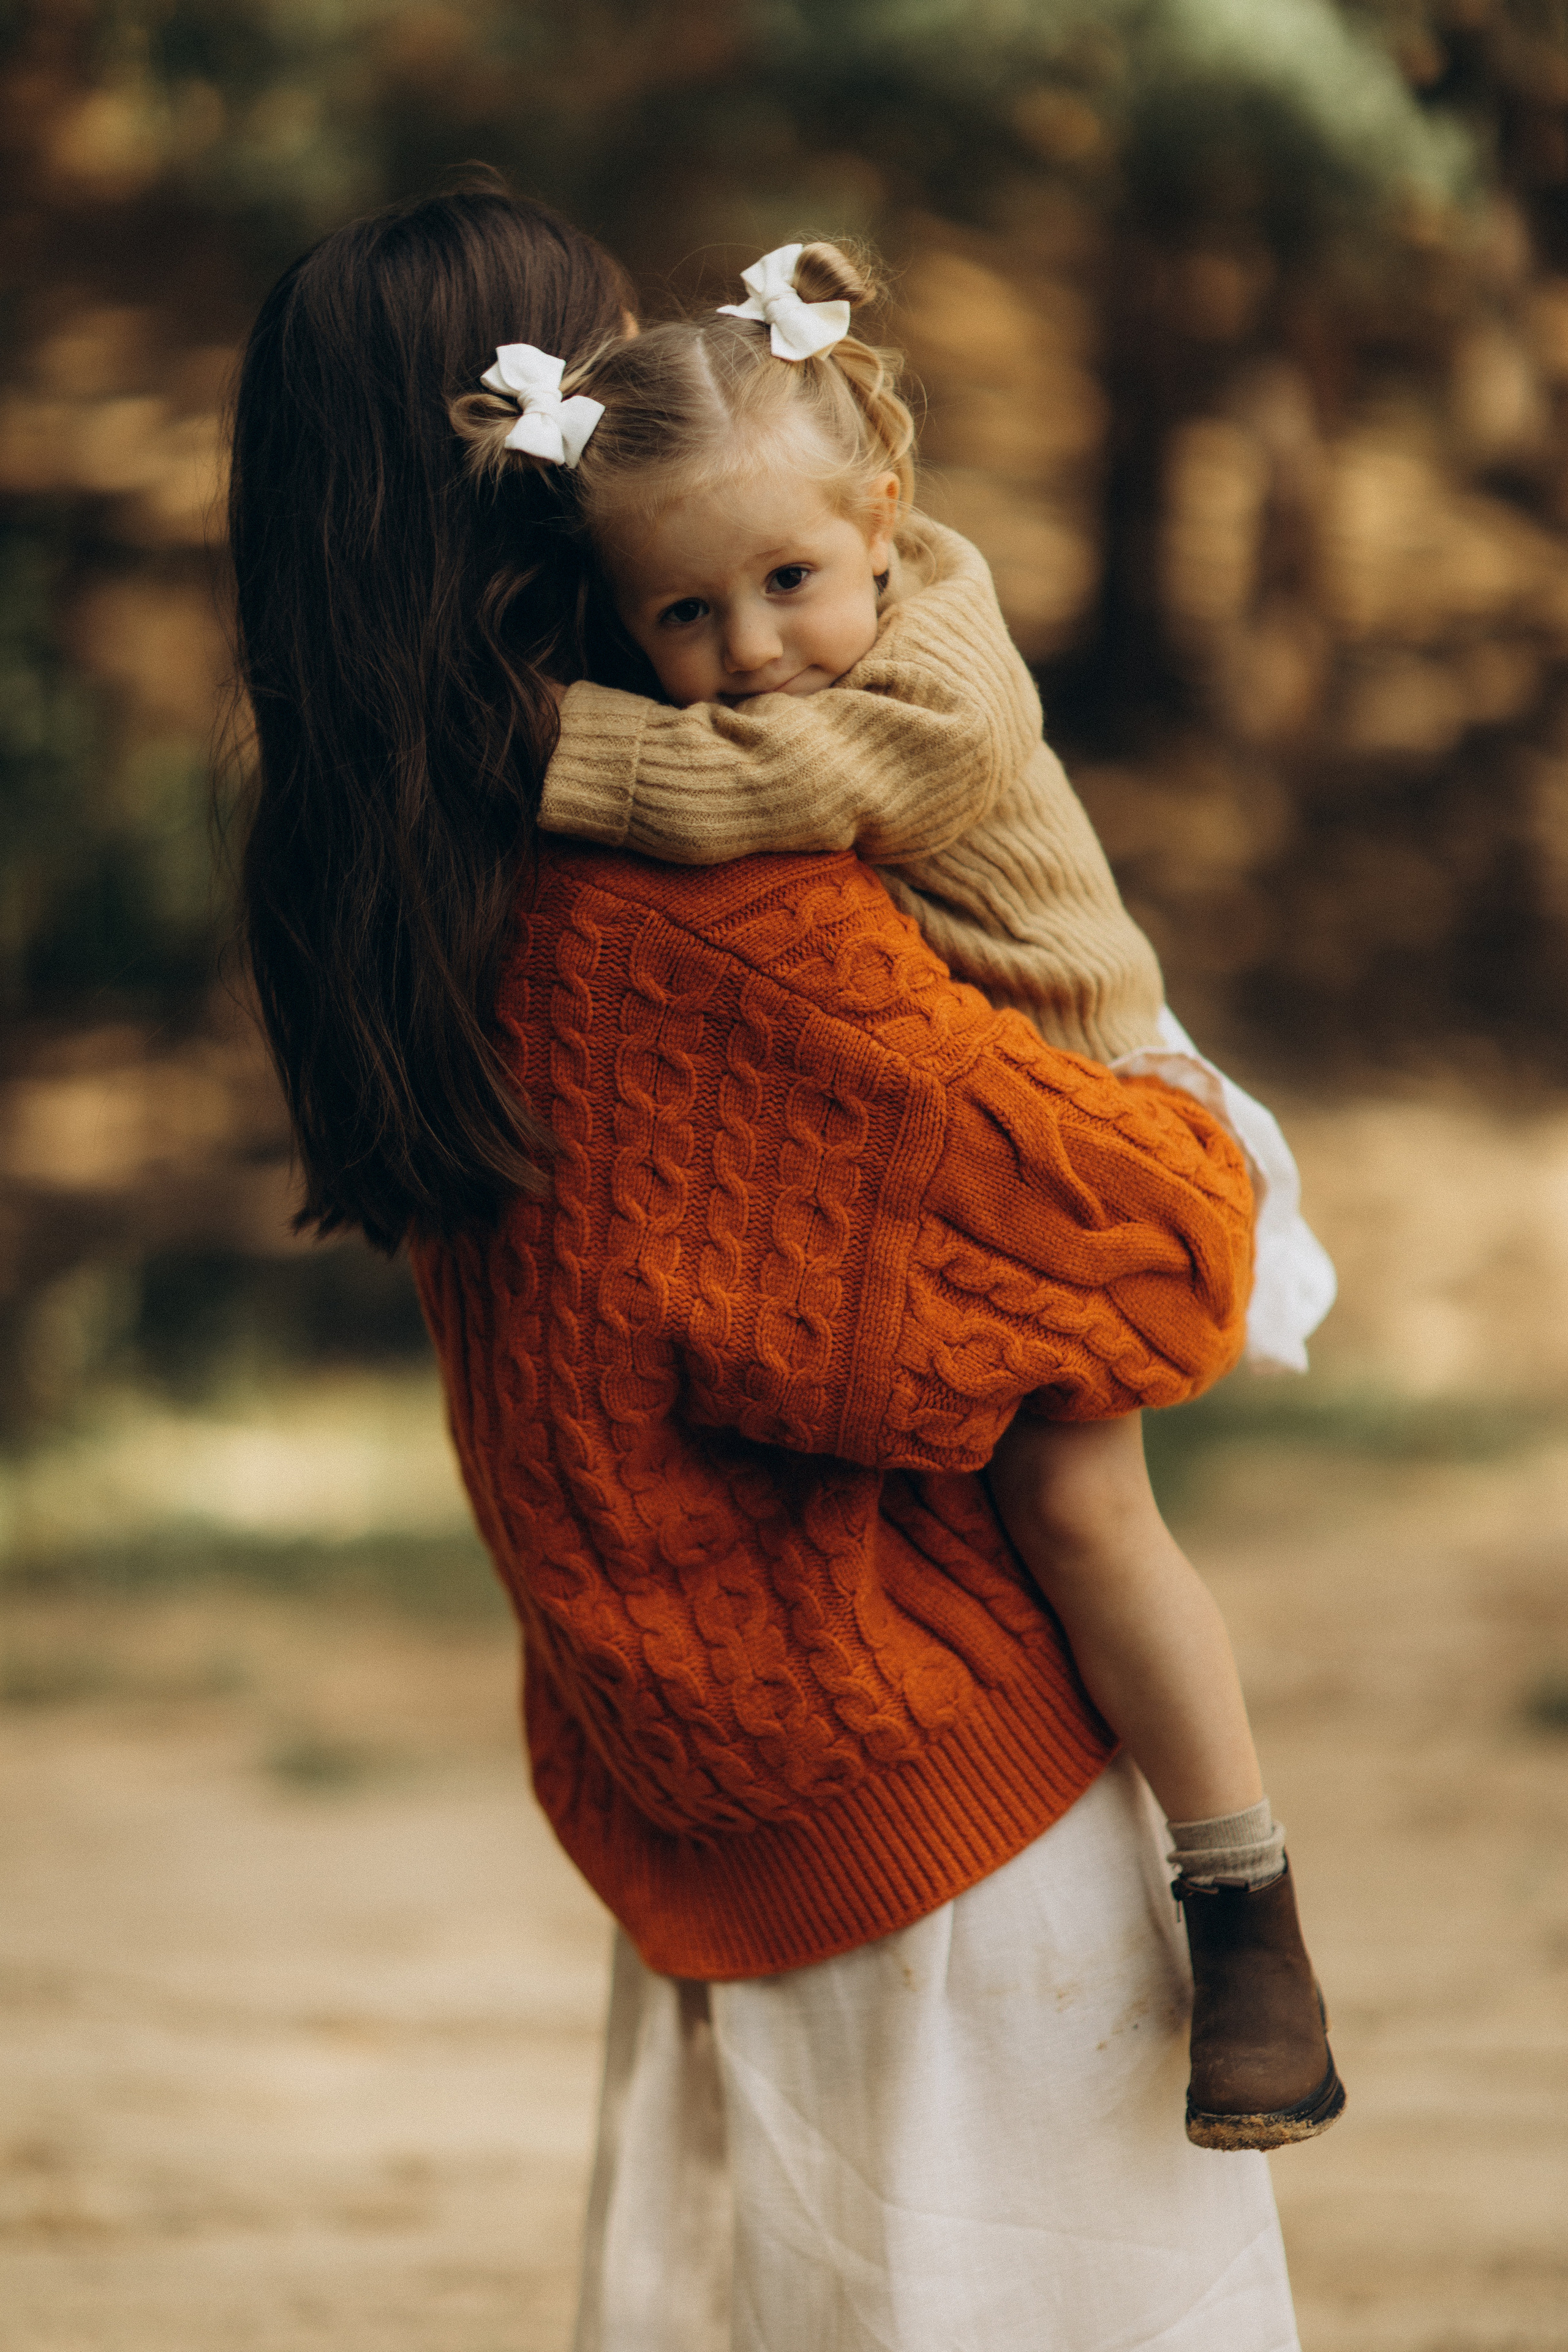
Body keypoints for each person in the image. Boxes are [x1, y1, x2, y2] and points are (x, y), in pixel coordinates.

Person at [231, 176, 1308, 2351]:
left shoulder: (379, 885)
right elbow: (1158, 1268)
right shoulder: (693, 920)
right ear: (536, 524)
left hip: (701, 1764)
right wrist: (1204, 1133)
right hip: (931, 1807)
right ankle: (1252, 1881)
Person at [452, 237, 1344, 2159]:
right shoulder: (824, 619)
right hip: (960, 1131)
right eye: (683, 619)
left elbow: (721, 797)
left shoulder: (927, 681)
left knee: (1084, 1513)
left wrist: (480, 740)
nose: (752, 651)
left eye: (785, 584)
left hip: (1095, 1109)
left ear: (887, 517)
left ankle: (1245, 1901)